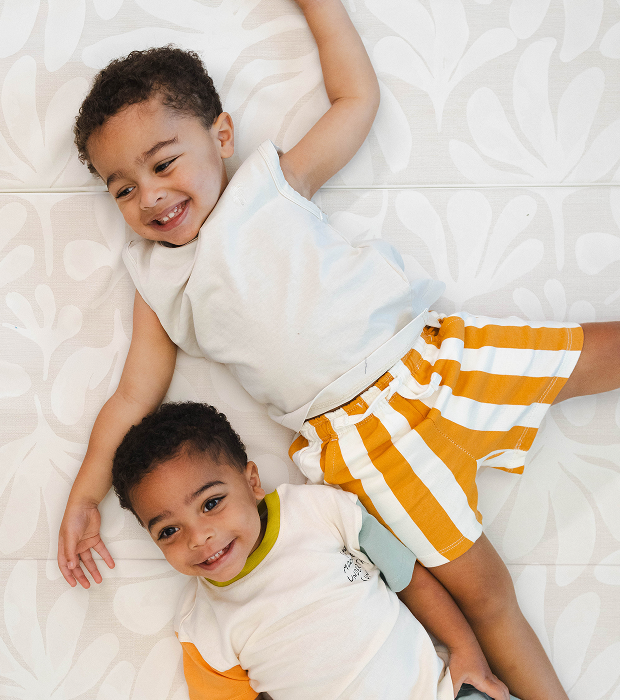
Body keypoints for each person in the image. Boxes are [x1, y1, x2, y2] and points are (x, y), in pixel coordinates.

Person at [57, 1, 620, 698]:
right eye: (123, 189)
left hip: (434, 361)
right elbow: (132, 397)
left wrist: (318, 7)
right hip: (367, 448)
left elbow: (356, 99)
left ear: (221, 135)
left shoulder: (270, 185)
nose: (149, 196)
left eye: (163, 163)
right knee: (487, 595)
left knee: (600, 350)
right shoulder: (158, 281)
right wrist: (85, 493)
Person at [111, 401, 513, 700]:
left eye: (211, 503)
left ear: (252, 482)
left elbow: (410, 579)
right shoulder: (202, 626)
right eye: (168, 531)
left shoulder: (318, 510)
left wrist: (465, 650)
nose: (198, 538)